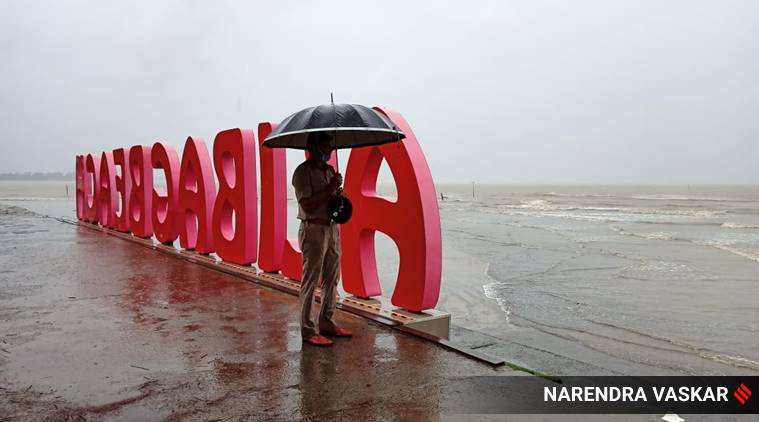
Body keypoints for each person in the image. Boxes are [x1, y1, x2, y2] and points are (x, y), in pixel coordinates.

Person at [292, 132, 353, 347]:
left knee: (332, 277)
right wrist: (330, 187)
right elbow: (307, 204)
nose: (331, 150)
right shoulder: (302, 172)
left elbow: (330, 200)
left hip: (331, 227)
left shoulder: (329, 171)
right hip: (313, 229)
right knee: (311, 280)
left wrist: (339, 194)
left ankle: (327, 322)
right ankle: (308, 330)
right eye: (327, 146)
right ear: (316, 147)